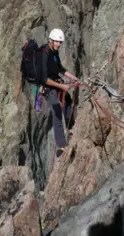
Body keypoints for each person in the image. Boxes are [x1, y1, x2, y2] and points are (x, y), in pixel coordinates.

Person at [41, 28, 80, 158]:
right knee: (56, 110)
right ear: (51, 41)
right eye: (57, 42)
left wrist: (72, 77)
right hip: (47, 86)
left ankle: (71, 128)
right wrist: (62, 86)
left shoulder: (54, 53)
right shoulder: (44, 55)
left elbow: (60, 68)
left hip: (56, 82)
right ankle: (61, 145)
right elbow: (44, 79)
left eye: (60, 42)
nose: (59, 44)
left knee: (68, 101)